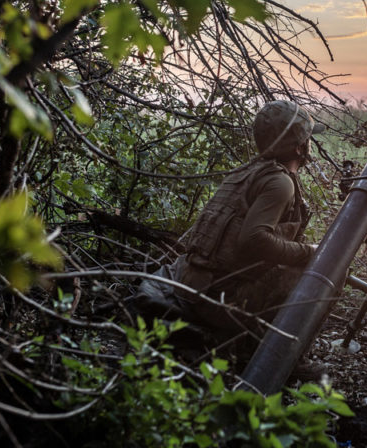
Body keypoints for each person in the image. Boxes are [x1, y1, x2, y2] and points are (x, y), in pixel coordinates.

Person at [133, 99, 323, 360]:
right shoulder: (280, 183)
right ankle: (279, 361)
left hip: (193, 284)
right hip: (217, 298)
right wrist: (309, 252)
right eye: (308, 139)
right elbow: (254, 240)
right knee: (325, 269)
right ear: (300, 147)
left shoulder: (247, 172)